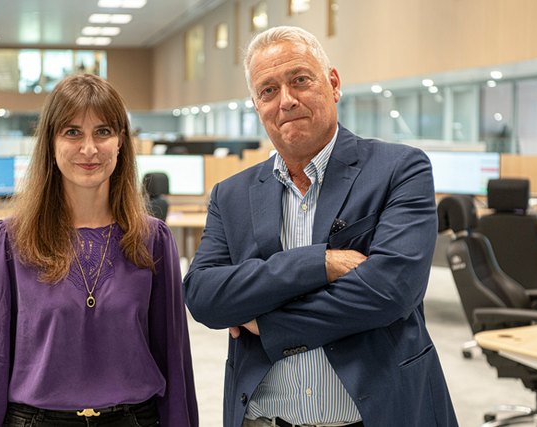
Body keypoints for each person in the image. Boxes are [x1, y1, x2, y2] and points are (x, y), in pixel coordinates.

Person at [182, 26, 459, 427]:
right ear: (257, 105)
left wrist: (264, 321)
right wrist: (321, 264)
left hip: (378, 413)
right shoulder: (231, 195)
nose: (287, 100)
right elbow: (203, 295)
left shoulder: (399, 169)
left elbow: (391, 290)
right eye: (268, 90)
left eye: (299, 80)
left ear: (332, 83)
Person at [0, 74, 199, 427]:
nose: (89, 149)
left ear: (121, 142)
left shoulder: (153, 241)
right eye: (72, 132)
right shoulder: (9, 242)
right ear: (51, 142)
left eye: (103, 132)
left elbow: (174, 358)